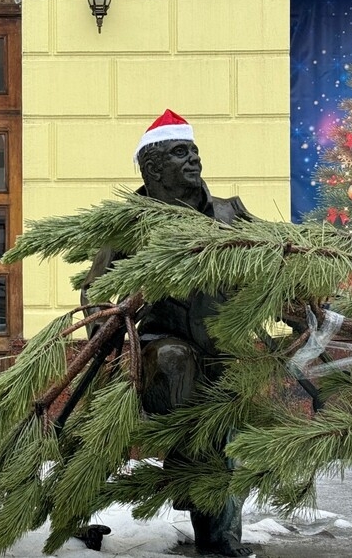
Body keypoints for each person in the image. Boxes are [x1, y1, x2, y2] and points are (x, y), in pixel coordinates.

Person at [81, 109, 256, 557]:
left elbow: (278, 266)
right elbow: (97, 292)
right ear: (153, 168)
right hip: (162, 354)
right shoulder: (132, 226)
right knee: (181, 362)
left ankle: (219, 539)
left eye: (195, 150)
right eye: (181, 152)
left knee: (225, 421)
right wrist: (111, 334)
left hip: (224, 353)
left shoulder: (230, 214)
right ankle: (186, 461)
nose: (194, 159)